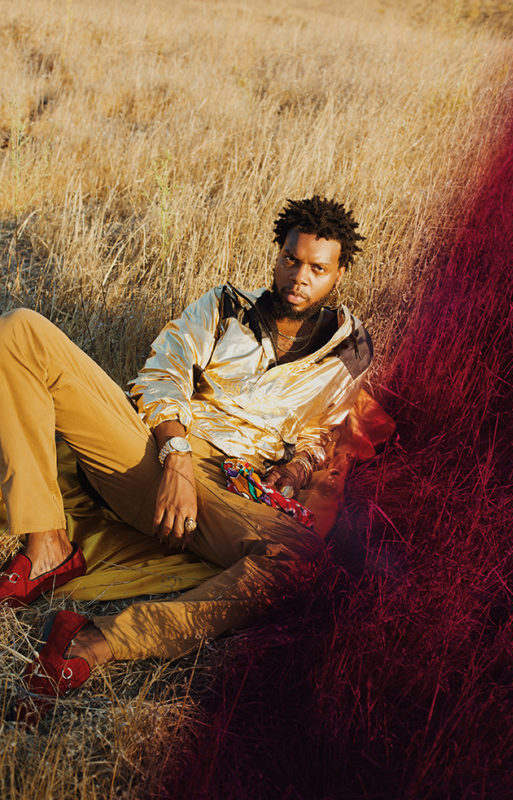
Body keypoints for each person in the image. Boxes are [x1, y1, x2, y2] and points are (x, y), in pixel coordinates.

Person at [0, 196, 372, 708]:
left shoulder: (350, 347)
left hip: (233, 487)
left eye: (317, 268)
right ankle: (47, 546)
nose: (299, 277)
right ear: (278, 254)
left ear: (339, 273)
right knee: (20, 329)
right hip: (152, 454)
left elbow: (325, 431)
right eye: (291, 259)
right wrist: (176, 455)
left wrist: (297, 465)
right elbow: (160, 376)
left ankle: (97, 641)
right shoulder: (224, 307)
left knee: (300, 563)